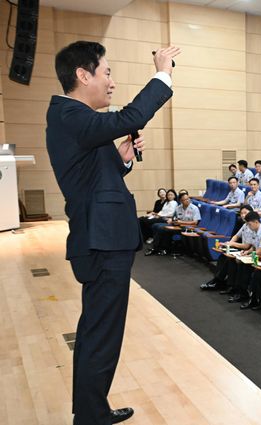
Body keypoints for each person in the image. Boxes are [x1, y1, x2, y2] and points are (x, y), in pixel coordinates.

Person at [47, 41, 179, 423]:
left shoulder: (75, 120)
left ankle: (93, 410)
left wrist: (120, 162)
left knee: (97, 333)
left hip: (100, 240)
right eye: (106, 73)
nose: (111, 83)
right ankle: (90, 418)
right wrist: (162, 73)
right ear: (83, 75)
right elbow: (128, 116)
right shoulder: (71, 114)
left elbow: (91, 178)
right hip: (101, 243)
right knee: (101, 336)